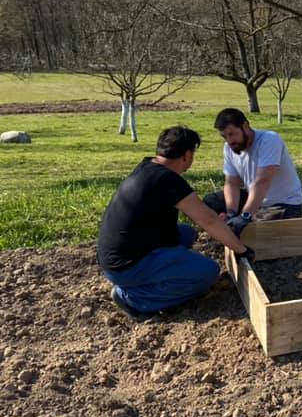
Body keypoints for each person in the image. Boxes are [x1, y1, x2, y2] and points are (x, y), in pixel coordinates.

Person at [97, 126, 255, 320]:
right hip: (126, 266)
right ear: (187, 155)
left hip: (116, 253)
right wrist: (240, 249)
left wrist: (221, 227)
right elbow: (208, 219)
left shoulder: (148, 167)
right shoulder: (167, 180)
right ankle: (134, 298)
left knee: (187, 234)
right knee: (208, 272)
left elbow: (197, 213)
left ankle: (164, 270)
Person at [203, 108, 302, 237]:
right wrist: (231, 213)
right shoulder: (229, 147)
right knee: (210, 202)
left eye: (232, 134)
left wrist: (245, 215)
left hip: (282, 204)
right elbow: (231, 183)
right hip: (255, 198)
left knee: (254, 234)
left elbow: (262, 181)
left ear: (245, 126)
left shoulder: (269, 140)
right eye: (224, 136)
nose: (229, 141)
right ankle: (229, 229)